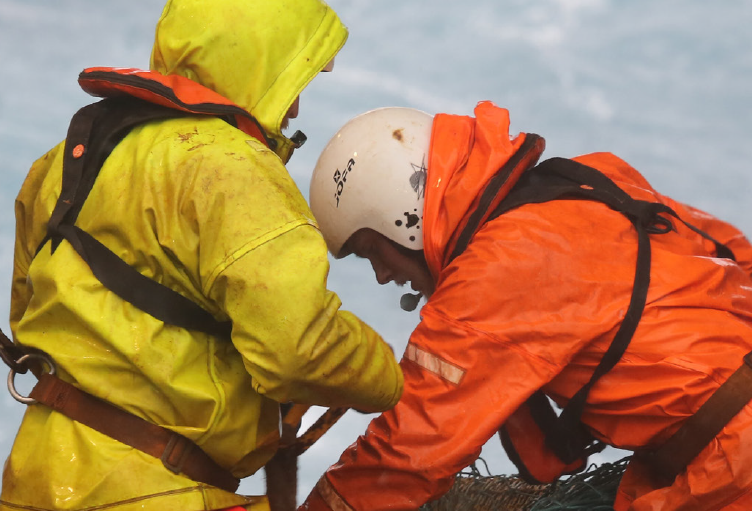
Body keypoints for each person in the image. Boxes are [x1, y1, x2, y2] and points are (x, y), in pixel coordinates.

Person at [0, 0, 403, 511]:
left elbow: (27, 315)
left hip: (34, 482)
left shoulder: (64, 161)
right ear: (256, 65)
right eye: (292, 81)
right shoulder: (232, 169)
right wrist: (393, 378)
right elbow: (299, 348)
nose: (293, 108)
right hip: (154, 493)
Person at [301, 103, 752, 511]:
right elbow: (729, 250)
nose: (381, 275)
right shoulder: (587, 179)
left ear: (403, 218)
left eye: (372, 251)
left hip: (731, 465)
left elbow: (411, 447)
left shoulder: (497, 270)